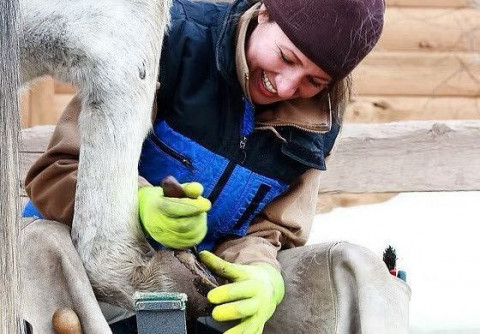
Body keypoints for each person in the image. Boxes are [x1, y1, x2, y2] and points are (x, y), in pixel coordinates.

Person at [23, 0, 392, 332]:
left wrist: (260, 274)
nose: (285, 86)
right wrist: (133, 204)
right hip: (77, 278)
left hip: (181, 294)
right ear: (264, 12)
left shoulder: (317, 124)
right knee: (41, 247)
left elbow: (269, 231)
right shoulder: (167, 43)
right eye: (286, 57)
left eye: (314, 81)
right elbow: (56, 171)